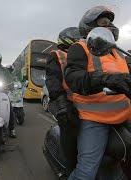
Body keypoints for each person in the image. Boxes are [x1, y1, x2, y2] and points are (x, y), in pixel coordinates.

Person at [64, 6, 131, 180]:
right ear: (89, 27)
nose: (109, 26)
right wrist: (105, 79)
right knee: (87, 171)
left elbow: (129, 75)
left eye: (110, 23)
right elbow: (73, 77)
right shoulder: (80, 47)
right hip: (95, 118)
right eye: (103, 23)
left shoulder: (117, 52)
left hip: (124, 116)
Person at [45, 26, 81, 175]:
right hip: (64, 101)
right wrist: (61, 102)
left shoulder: (81, 55)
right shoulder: (56, 55)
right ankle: (70, 169)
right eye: (75, 36)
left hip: (83, 101)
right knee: (70, 130)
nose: (78, 38)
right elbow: (52, 79)